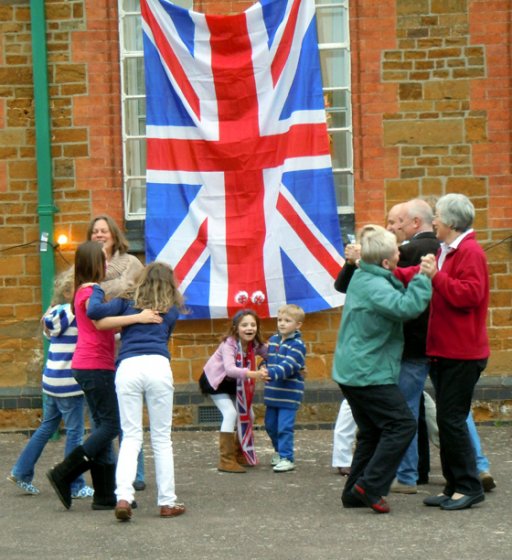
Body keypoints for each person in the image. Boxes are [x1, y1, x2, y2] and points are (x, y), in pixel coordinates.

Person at [46, 241, 157, 511]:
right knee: (111, 426)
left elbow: (98, 329)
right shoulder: (92, 290)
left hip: (90, 364)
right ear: (94, 264)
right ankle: (64, 472)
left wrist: (127, 333)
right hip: (95, 366)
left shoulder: (82, 292)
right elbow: (99, 321)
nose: (108, 265)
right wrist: (137, 319)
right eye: (104, 261)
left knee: (102, 428)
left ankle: (104, 495)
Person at [333, 225, 432, 513]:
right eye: (396, 251)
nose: (401, 252)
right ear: (387, 262)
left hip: (355, 370)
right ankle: (370, 485)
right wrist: (424, 278)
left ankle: (354, 491)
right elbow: (406, 307)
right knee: (402, 425)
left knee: (372, 432)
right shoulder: (374, 285)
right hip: (367, 372)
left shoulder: (366, 274)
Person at [400, 194, 490, 510]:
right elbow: (420, 274)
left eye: (437, 216)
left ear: (450, 222)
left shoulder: (470, 252)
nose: (434, 220)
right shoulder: (446, 250)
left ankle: (468, 486)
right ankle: (454, 486)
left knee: (451, 420)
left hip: (462, 354)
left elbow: (469, 295)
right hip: (445, 351)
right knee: (448, 419)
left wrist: (436, 276)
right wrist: (389, 272)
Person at [87, 262, 186, 521]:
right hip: (157, 365)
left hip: (129, 367)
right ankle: (167, 502)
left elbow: (94, 312)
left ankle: (123, 497)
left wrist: (96, 288)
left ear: (142, 278)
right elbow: (164, 337)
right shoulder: (171, 309)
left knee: (131, 437)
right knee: (162, 438)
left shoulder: (125, 301)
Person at [8, 270, 93, 499]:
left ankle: (21, 471)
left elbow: (48, 332)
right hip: (70, 385)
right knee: (75, 434)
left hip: (51, 382)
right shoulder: (78, 313)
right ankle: (74, 484)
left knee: (46, 427)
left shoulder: (53, 313)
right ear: (68, 292)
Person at [87, 214, 146, 490]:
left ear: (114, 234)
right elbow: (70, 296)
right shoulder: (86, 267)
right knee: (106, 418)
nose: (100, 235)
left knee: (129, 413)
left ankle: (137, 474)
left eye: (104, 230)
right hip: (97, 348)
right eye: (95, 231)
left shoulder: (131, 263)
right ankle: (112, 475)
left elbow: (143, 296)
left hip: (124, 344)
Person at [199, 310, 269, 473]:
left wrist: (266, 365)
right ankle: (226, 459)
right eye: (244, 325)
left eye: (253, 325)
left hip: (235, 383)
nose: (249, 328)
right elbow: (230, 369)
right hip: (216, 381)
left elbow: (271, 354)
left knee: (249, 414)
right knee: (230, 413)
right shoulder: (229, 344)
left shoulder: (255, 345)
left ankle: (239, 453)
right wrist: (253, 374)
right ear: (236, 328)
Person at [263, 304, 306, 473]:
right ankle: (279, 452)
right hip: (273, 393)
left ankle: (287, 457)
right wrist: (262, 368)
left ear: (298, 325)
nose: (282, 324)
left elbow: (289, 366)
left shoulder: (298, 345)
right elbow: (268, 360)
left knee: (284, 427)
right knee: (270, 425)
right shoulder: (273, 340)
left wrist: (270, 373)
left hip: (289, 395)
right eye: (280, 320)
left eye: (287, 321)